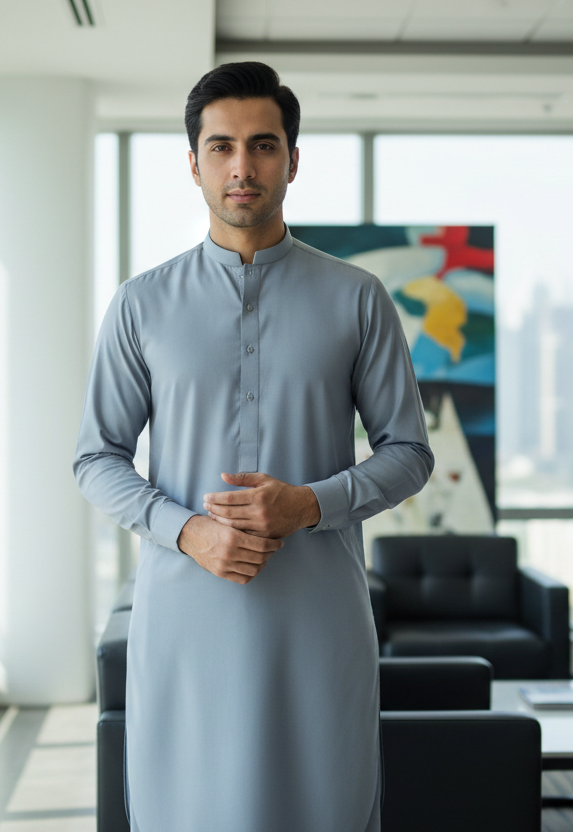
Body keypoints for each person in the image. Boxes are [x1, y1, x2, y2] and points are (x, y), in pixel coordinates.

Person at [74, 61, 433, 832]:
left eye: (264, 146)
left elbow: (409, 449)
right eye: (222, 147)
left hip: (319, 619)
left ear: (293, 160)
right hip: (183, 618)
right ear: (194, 162)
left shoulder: (357, 298)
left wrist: (310, 503)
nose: (243, 166)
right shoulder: (140, 305)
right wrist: (187, 529)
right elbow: (95, 457)